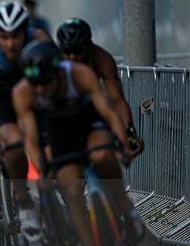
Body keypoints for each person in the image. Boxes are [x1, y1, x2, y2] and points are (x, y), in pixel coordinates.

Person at [13, 40, 144, 246]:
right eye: (36, 84)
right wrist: (41, 170)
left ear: (59, 71)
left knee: (105, 156)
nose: (42, 89)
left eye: (47, 82)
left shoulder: (79, 73)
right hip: (57, 132)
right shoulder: (23, 92)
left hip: (87, 122)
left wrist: (124, 141)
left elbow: (107, 110)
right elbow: (30, 137)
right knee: (71, 191)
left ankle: (125, 207)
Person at [0, 1, 50, 242]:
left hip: (35, 97)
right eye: (4, 37)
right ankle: (24, 200)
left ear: (25, 31)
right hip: (1, 101)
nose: (11, 43)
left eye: (16, 36)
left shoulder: (39, 40)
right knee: (13, 145)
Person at [56, 18, 144, 155]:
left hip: (91, 107)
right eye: (67, 52)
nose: (72, 58)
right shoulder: (51, 60)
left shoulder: (102, 60)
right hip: (61, 109)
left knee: (103, 155)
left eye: (78, 52)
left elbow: (117, 101)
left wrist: (128, 132)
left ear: (89, 46)